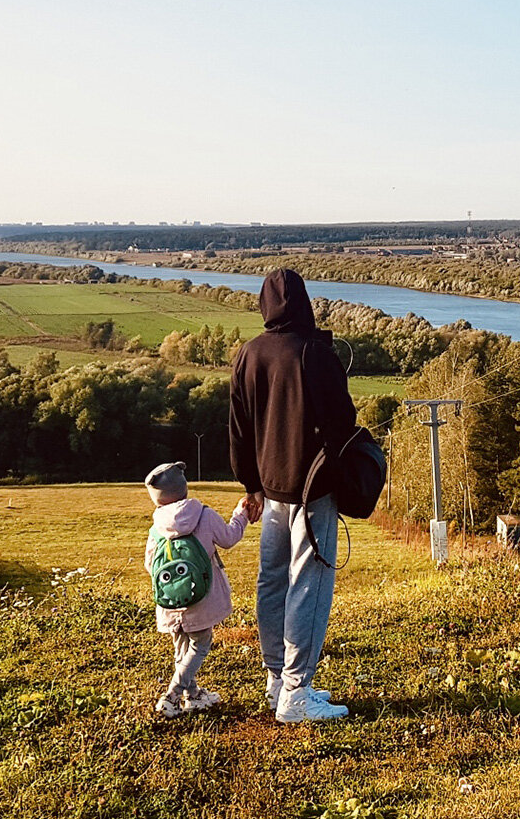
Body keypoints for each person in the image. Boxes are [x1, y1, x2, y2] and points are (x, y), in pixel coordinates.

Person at [230, 269, 357, 723]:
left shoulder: (248, 354)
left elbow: (239, 429)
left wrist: (251, 485)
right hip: (313, 491)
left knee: (272, 581)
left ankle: (276, 681)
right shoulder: (315, 354)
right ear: (304, 302)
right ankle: (297, 693)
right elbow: (343, 423)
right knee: (309, 585)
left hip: (269, 490)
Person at [143, 461, 252, 718]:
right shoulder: (203, 515)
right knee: (200, 644)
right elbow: (228, 538)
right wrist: (241, 514)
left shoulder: (157, 527)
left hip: (170, 600)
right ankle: (171, 696)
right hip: (200, 598)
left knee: (181, 648)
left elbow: (150, 564)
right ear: (184, 488)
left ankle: (193, 696)